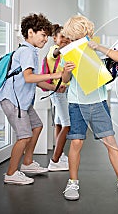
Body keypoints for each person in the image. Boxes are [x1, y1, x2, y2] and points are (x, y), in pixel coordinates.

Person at [61, 15, 118, 200]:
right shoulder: (69, 53)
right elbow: (65, 82)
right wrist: (66, 71)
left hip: (98, 103)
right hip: (77, 103)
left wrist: (99, 47)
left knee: (110, 141)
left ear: (87, 35)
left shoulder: (95, 48)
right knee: (76, 142)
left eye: (77, 38)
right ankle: (72, 183)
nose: (75, 41)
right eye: (72, 39)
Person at [0, 13, 63, 185]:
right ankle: (11, 173)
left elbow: (36, 81)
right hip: (13, 101)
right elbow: (29, 78)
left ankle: (27, 163)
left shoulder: (30, 51)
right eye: (43, 35)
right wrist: (56, 74)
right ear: (30, 32)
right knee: (24, 136)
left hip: (22, 102)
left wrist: (55, 87)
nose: (45, 39)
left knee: (37, 126)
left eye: (47, 36)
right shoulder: (26, 52)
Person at [45, 24, 71, 171]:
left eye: (67, 37)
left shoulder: (66, 54)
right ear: (54, 38)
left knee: (59, 123)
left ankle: (59, 155)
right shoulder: (52, 51)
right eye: (62, 37)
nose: (65, 40)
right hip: (58, 92)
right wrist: (68, 46)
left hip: (63, 90)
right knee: (68, 124)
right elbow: (55, 52)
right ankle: (54, 160)